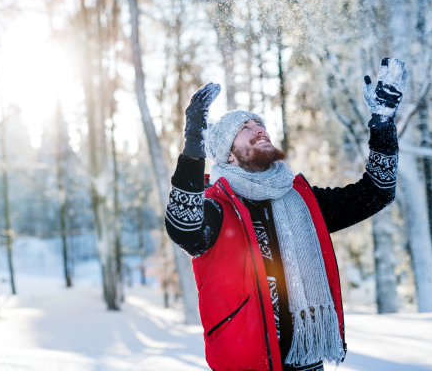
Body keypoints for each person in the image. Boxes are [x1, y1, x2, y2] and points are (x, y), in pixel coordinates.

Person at [165, 57, 407, 371]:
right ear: (228, 155)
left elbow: (378, 192)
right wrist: (194, 144)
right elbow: (184, 230)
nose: (258, 129)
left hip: (309, 363)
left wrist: (383, 123)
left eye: (259, 124)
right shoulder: (217, 206)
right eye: (244, 128)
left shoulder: (302, 200)